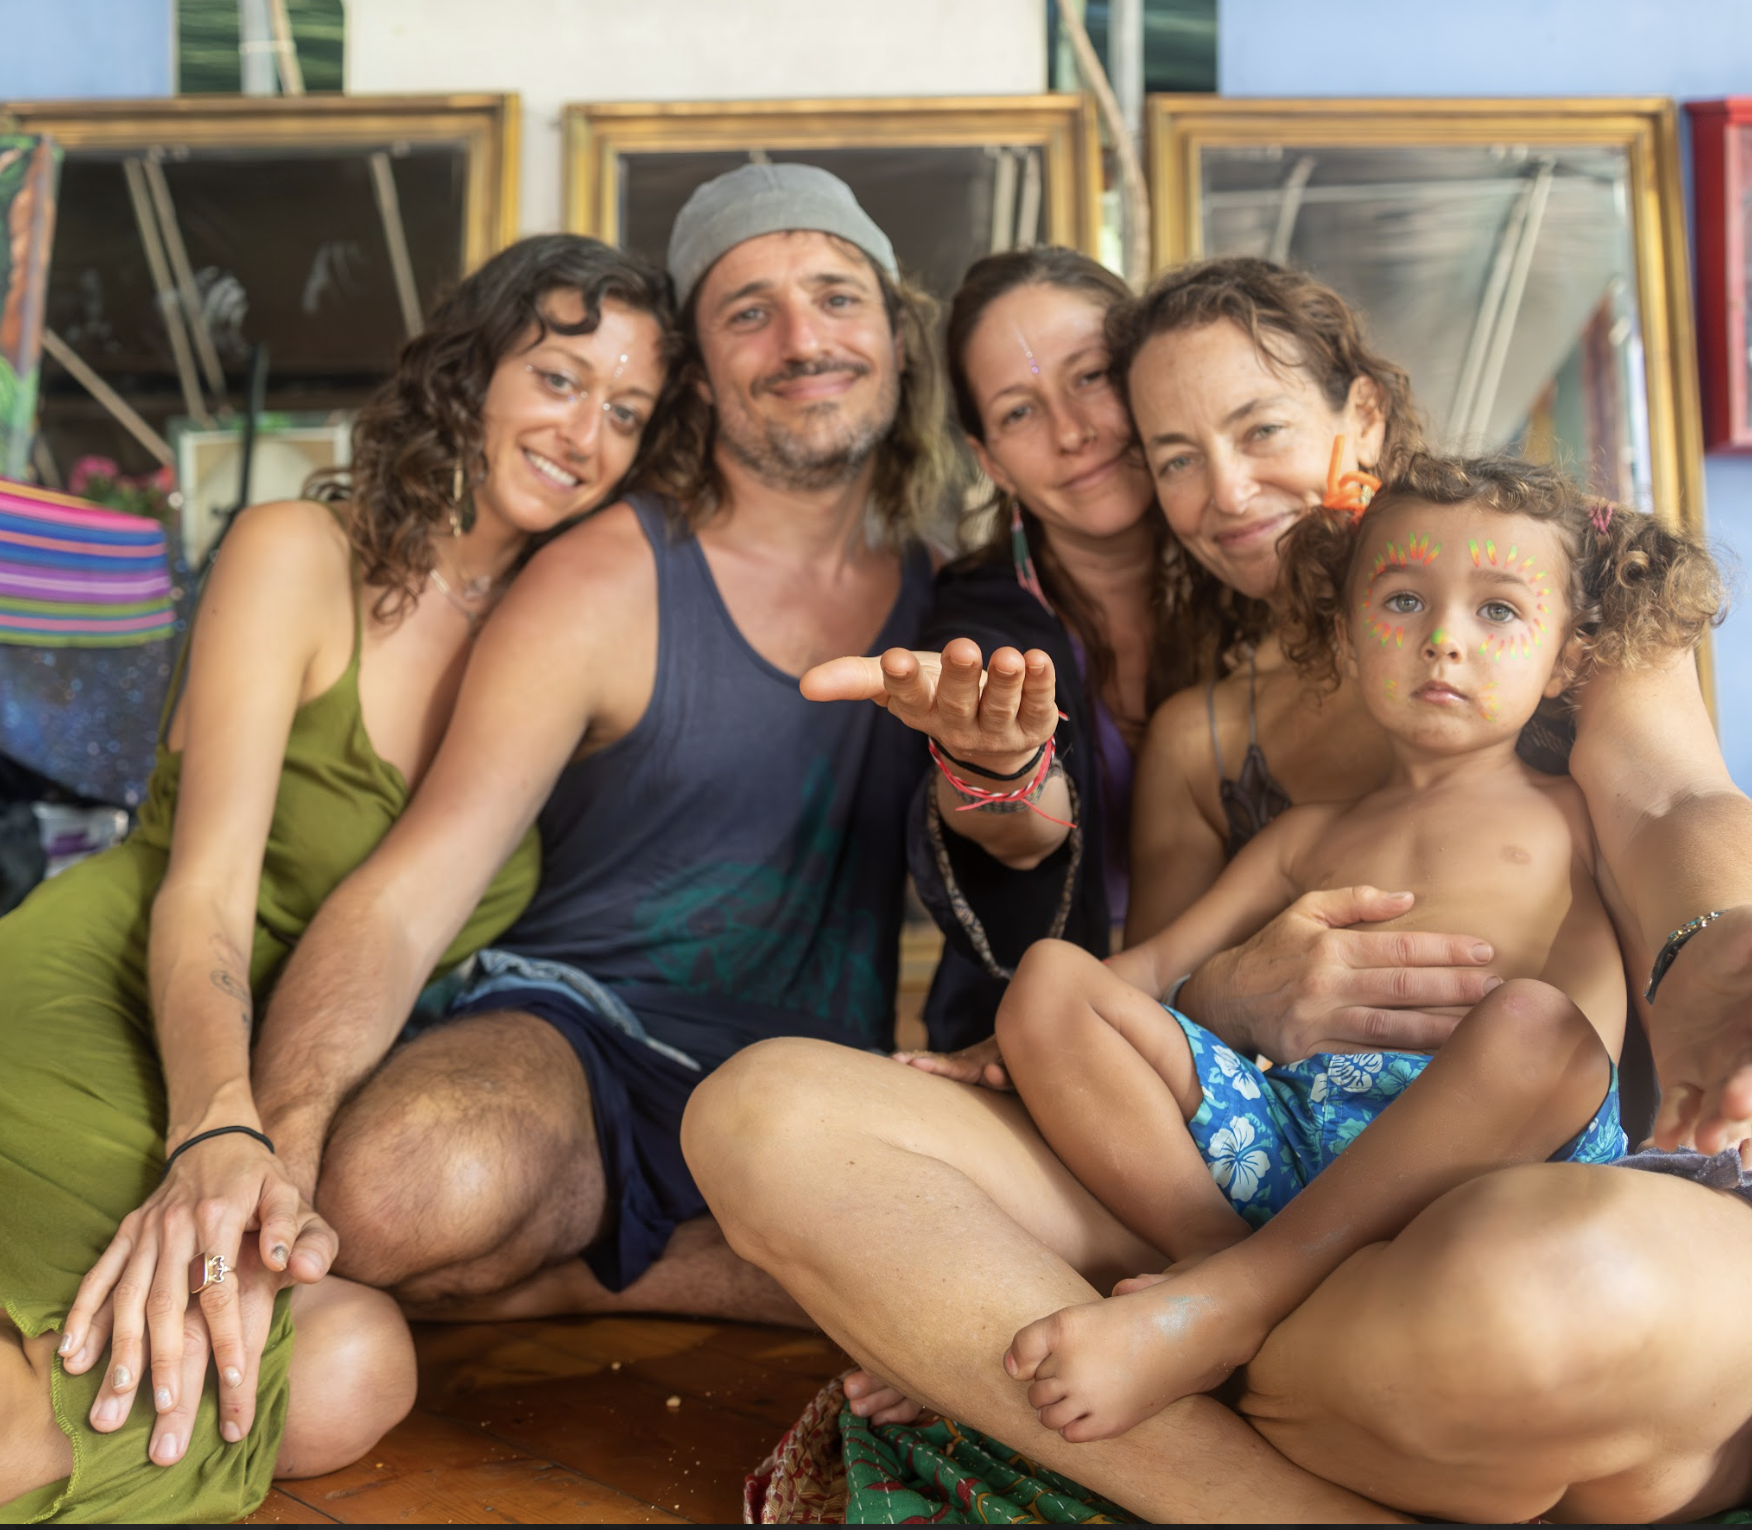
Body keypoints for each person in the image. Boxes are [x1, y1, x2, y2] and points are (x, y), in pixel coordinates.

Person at [684, 254, 1752, 1522]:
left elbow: (1675, 810)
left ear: (1358, 415)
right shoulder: (1207, 734)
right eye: (1173, 452)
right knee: (766, 1115)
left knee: (1556, 1293)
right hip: (1263, 1190)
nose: (1226, 489)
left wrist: (1722, 964)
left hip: (1512, 1212)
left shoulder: (1562, 591)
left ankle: (1172, 1329)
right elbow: (1156, 1003)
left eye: (1261, 430)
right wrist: (1211, 997)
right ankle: (1240, 1399)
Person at [0, 234, 672, 1522]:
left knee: (357, 1362)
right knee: (87, 1351)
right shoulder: (296, 554)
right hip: (126, 1009)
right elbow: (201, 896)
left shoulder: (575, 635)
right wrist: (220, 1126)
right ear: (472, 371)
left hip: (300, 1082)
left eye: (628, 411)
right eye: (559, 378)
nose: (587, 431)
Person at [224, 162, 966, 1328]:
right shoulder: (603, 577)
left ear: (896, 334)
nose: (801, 338)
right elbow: (410, 895)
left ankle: (569, 1280)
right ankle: (664, 1272)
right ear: (701, 378)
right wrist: (279, 1150)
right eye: (746, 310)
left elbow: (1026, 853)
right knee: (393, 1192)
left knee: (1034, 1243)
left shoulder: (950, 601)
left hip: (814, 1088)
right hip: (580, 1040)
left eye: (835, 295)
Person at [1000, 452, 1720, 1442]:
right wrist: (997, 1051)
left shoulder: (1581, 813)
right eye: (1403, 601)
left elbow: (1674, 938)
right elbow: (1145, 983)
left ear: (1565, 660)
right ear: (1342, 632)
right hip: (1300, 1142)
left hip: (1502, 1162)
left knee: (1535, 1021)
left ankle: (1238, 1299)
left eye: (1499, 612)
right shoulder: (1307, 835)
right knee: (1047, 982)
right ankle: (1225, 1270)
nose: (1444, 644)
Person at [805, 247, 1171, 1052]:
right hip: (1042, 1047)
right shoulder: (979, 612)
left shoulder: (1256, 568)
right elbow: (1018, 839)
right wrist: (995, 765)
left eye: (1091, 376)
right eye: (1017, 411)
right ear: (987, 459)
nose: (1073, 432)